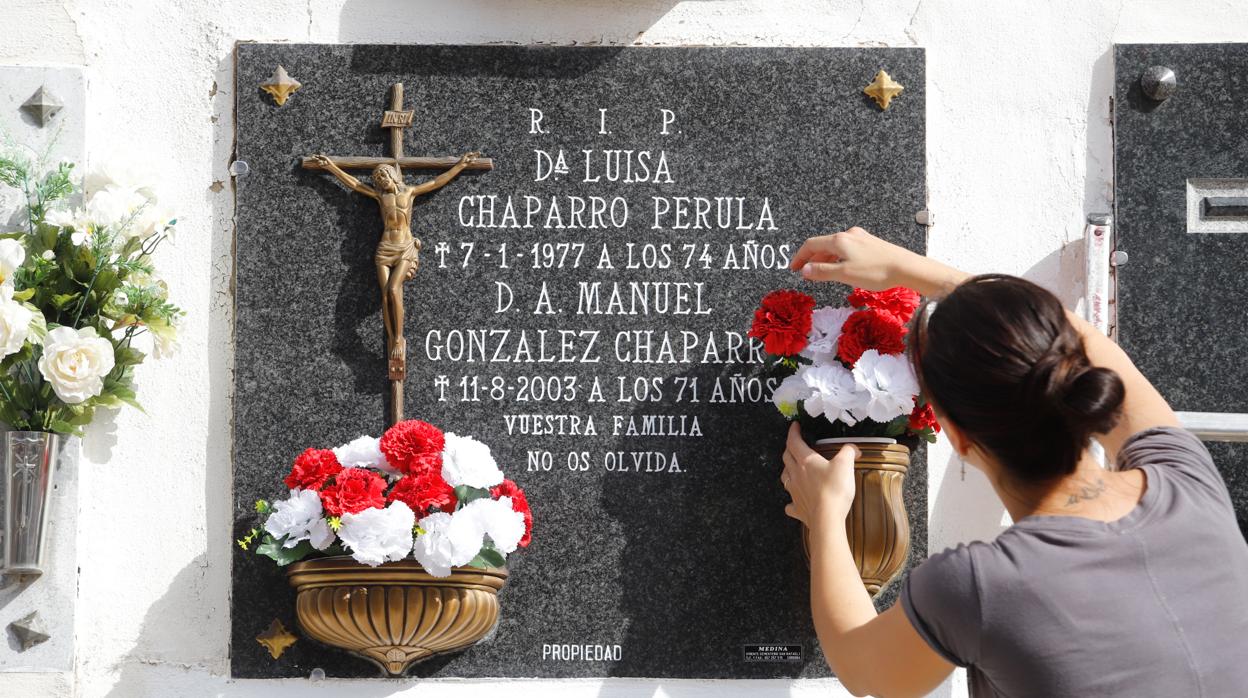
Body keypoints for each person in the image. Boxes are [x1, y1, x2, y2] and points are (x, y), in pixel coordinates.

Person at [779, 227, 1248, 697]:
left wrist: (826, 515)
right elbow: (1082, 340)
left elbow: (868, 672)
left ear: (956, 436)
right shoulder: (1187, 481)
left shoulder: (983, 586)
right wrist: (908, 269)